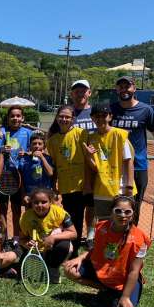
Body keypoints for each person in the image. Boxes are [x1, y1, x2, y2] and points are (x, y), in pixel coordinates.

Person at [63, 195, 150, 307]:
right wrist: (80, 257)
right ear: (111, 211)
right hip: (104, 272)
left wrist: (125, 297)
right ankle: (107, 290)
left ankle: (116, 295)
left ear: (133, 214)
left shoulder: (139, 238)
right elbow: (95, 249)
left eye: (127, 212)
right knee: (70, 270)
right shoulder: (101, 227)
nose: (122, 215)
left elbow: (134, 271)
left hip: (125, 279)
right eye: (118, 211)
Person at [111, 76, 154, 224]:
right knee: (115, 202)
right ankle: (113, 236)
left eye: (127, 86)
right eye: (120, 86)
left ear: (134, 88)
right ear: (117, 90)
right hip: (115, 165)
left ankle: (131, 237)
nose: (124, 89)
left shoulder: (145, 110)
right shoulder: (111, 109)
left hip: (138, 165)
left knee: (134, 204)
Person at [83, 103, 136, 221]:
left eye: (104, 115)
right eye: (97, 116)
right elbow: (96, 168)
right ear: (92, 118)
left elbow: (128, 162)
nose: (100, 118)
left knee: (122, 223)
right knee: (103, 223)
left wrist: (129, 186)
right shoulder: (92, 138)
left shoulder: (119, 135)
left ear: (110, 117)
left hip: (121, 189)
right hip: (102, 190)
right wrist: (88, 156)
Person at [46, 105, 87, 258]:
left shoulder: (81, 134)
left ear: (73, 119)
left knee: (78, 217)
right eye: (61, 116)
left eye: (67, 117)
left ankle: (75, 250)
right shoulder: (52, 141)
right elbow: (54, 166)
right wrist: (53, 185)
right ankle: (67, 248)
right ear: (57, 118)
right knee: (67, 218)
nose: (64, 119)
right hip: (64, 187)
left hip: (80, 185)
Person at [19, 188, 77, 283]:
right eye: (36, 202)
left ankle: (53, 267)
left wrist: (53, 237)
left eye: (44, 202)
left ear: (50, 202)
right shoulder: (25, 217)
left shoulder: (59, 213)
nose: (40, 205)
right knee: (30, 277)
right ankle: (42, 264)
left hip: (52, 248)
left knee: (65, 245)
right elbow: (22, 239)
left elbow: (73, 233)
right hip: (36, 251)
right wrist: (27, 244)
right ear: (31, 203)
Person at [0, 105, 32, 238]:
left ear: (22, 118)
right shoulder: (1, 132)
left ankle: (17, 239)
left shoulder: (28, 133)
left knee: (16, 208)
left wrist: (27, 153)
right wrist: (2, 148)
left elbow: (36, 149)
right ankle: (5, 238)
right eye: (12, 116)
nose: (15, 118)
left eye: (18, 116)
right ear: (8, 118)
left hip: (20, 176)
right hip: (4, 175)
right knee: (2, 208)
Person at [70, 79, 96, 246]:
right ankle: (75, 235)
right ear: (72, 94)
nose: (80, 93)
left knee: (91, 203)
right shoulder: (67, 113)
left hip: (93, 164)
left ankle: (91, 236)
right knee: (75, 205)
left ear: (89, 93)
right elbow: (53, 134)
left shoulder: (95, 112)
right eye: (77, 90)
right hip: (73, 167)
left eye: (83, 90)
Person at [20, 132, 54, 197]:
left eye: (40, 144)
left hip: (45, 193)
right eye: (34, 144)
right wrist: (23, 194)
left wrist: (42, 157)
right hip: (30, 193)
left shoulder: (48, 158)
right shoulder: (24, 160)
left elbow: (50, 173)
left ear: (44, 146)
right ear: (30, 145)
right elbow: (22, 180)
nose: (37, 146)